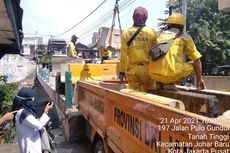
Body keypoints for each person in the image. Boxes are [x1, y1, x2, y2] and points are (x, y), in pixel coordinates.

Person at [148, 13, 206, 90]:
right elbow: (197, 60)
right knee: (194, 65)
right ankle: (170, 83)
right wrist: (199, 79)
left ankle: (160, 83)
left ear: (168, 25)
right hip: (171, 76)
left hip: (153, 75)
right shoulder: (185, 37)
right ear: (182, 26)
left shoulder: (159, 35)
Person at [119, 6, 157, 91]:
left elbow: (123, 56)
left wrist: (122, 72)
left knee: (134, 99)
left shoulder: (127, 33)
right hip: (148, 70)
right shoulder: (152, 32)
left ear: (133, 18)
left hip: (133, 71)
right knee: (150, 97)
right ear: (146, 18)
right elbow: (155, 54)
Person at [12, 87, 53, 153]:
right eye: (31, 99)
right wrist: (46, 111)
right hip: (31, 148)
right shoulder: (24, 113)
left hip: (31, 145)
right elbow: (38, 125)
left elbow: (33, 123)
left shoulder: (21, 110)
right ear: (25, 100)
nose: (33, 100)